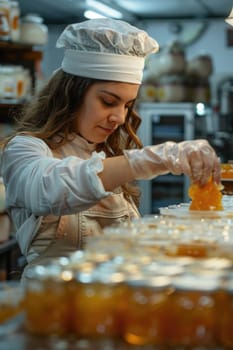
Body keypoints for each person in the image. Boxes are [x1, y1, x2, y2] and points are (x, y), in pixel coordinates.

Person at [0, 18, 221, 281]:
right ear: (71, 93)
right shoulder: (25, 149)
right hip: (51, 306)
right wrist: (151, 159)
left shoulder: (107, 155)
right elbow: (51, 187)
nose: (119, 117)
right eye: (108, 101)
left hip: (109, 303)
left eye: (127, 105)